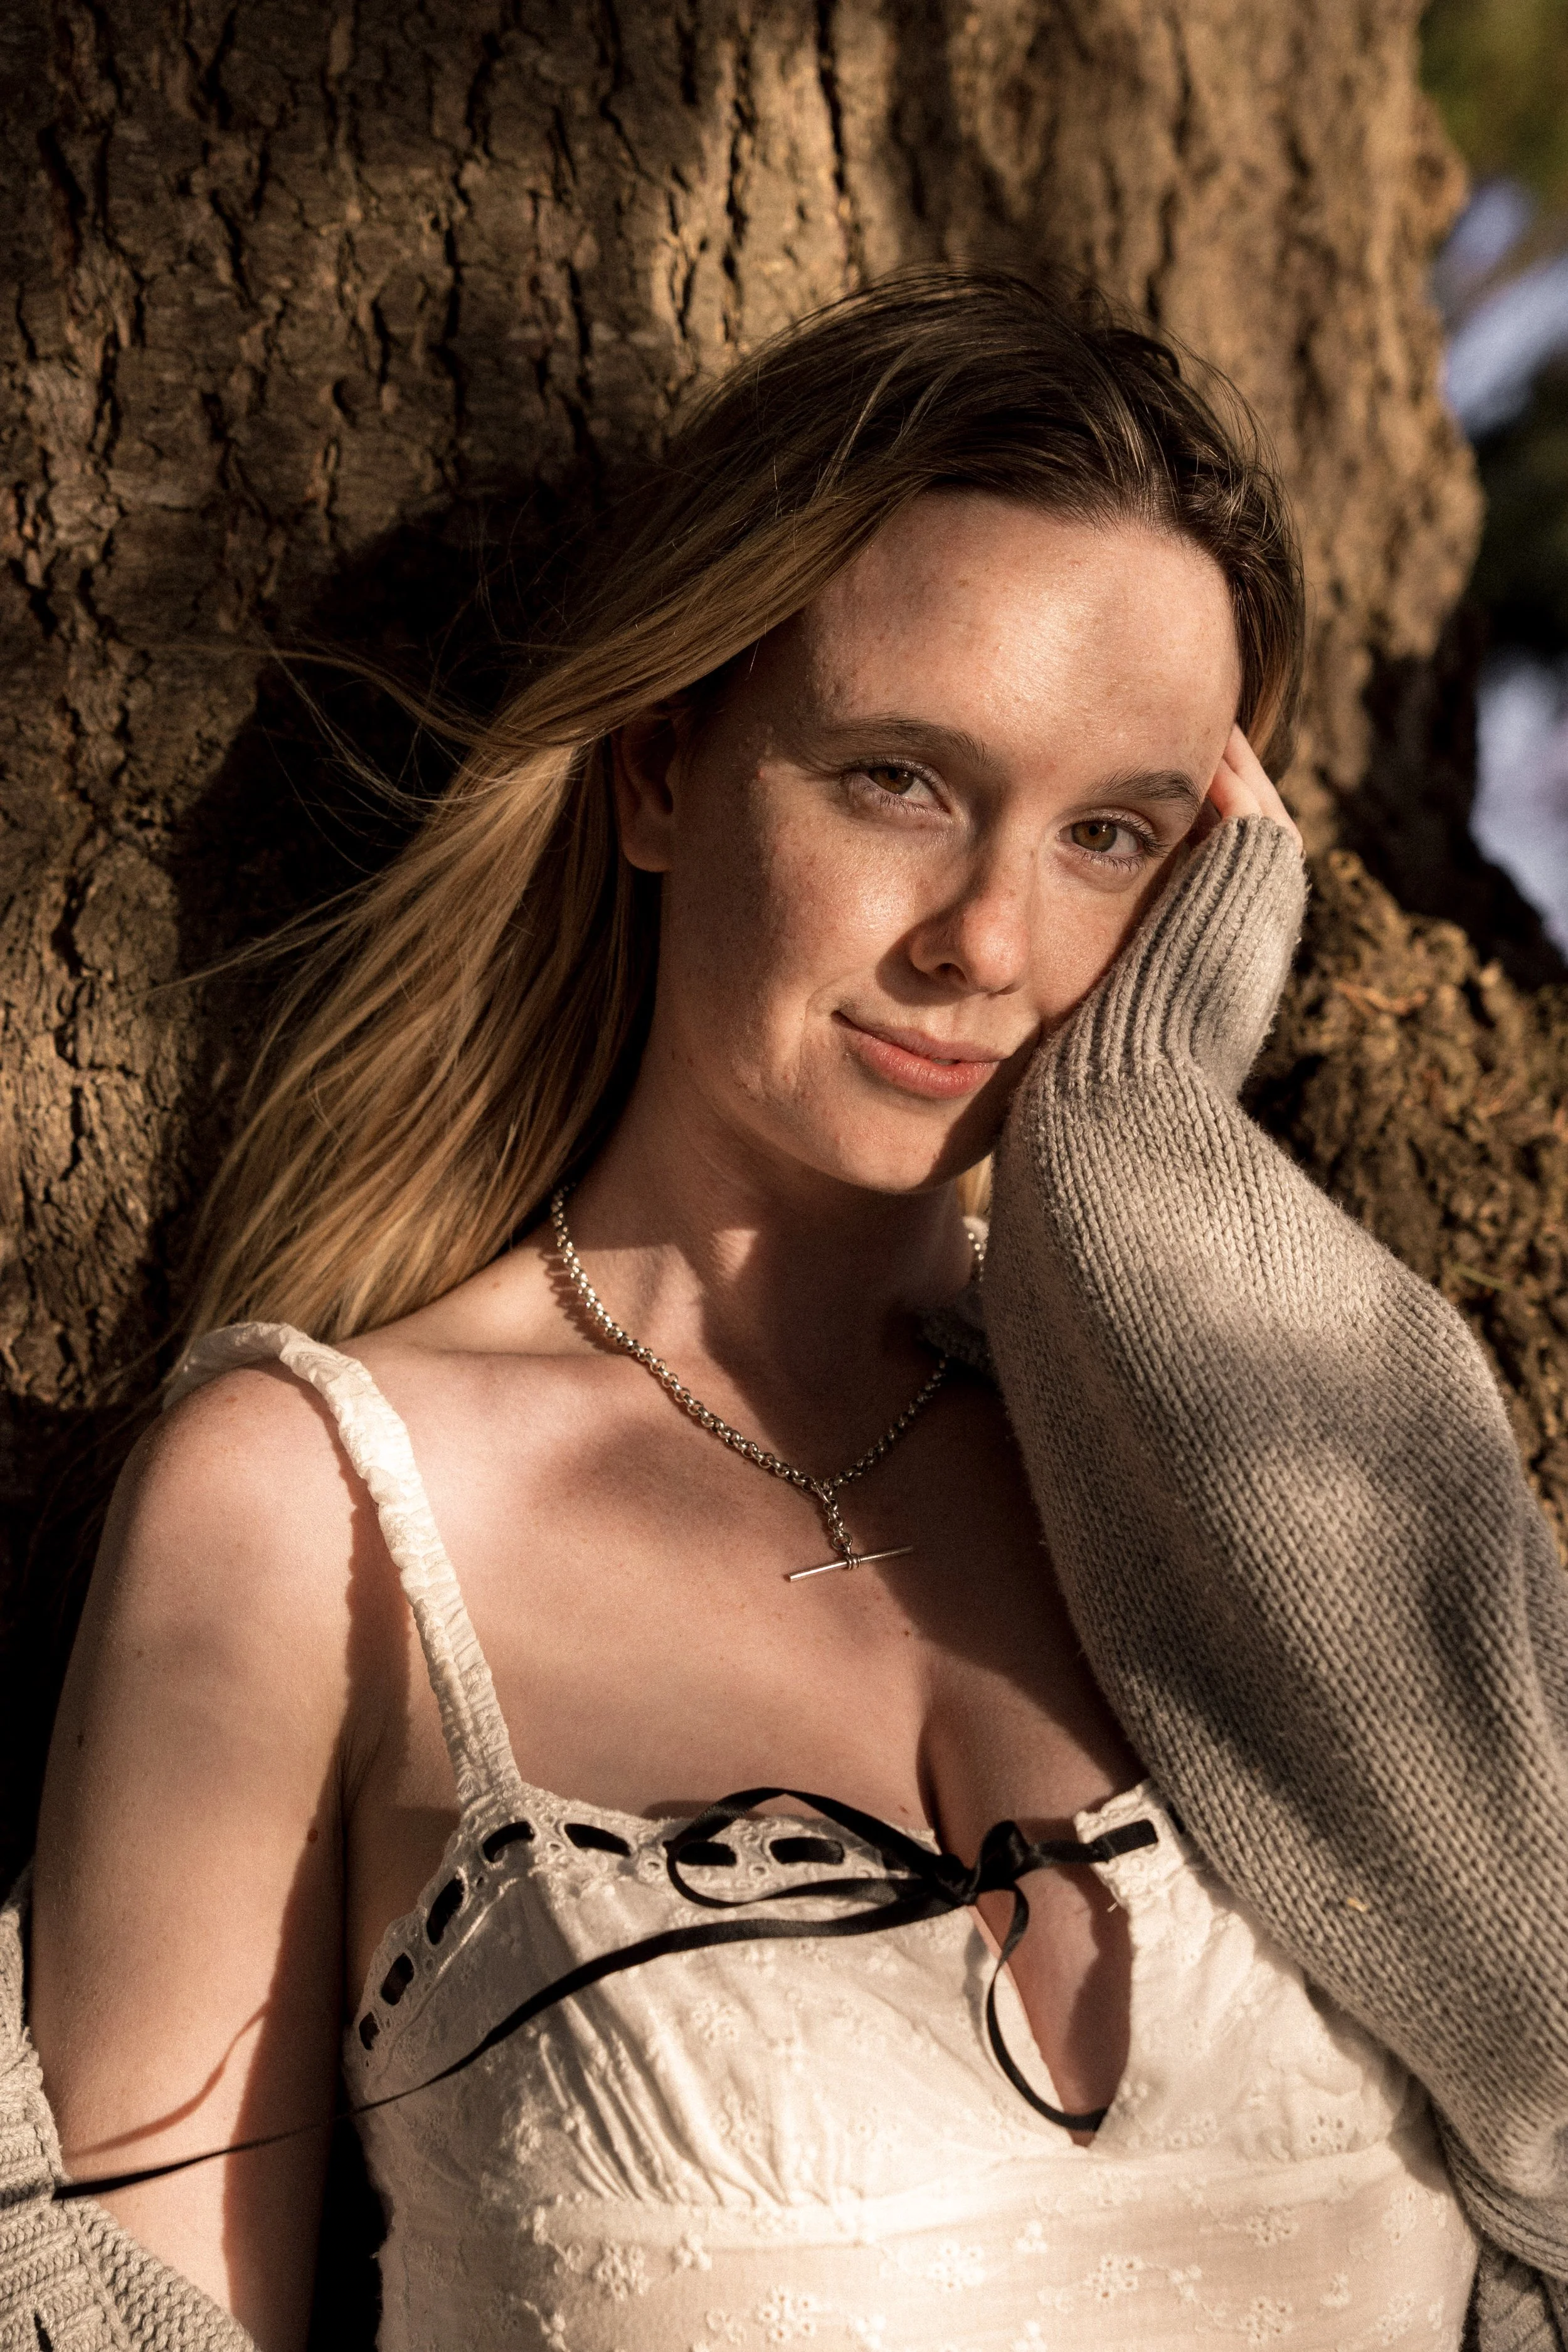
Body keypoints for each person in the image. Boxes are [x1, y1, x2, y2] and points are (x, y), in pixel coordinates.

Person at [8, 271, 1567, 2352]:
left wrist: (1160, 1178)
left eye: (1110, 836)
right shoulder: (313, 1507)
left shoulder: (1275, 1480)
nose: (988, 942)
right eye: (899, 781)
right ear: (661, 772)